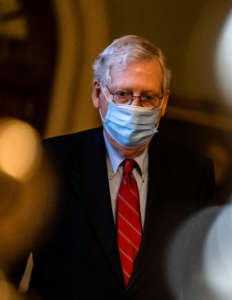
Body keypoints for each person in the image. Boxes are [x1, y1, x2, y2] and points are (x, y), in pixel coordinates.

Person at [28, 35, 215, 300]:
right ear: (97, 93)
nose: (134, 107)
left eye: (148, 97)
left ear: (164, 103)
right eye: (123, 94)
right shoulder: (50, 161)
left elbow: (201, 275)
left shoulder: (194, 174)